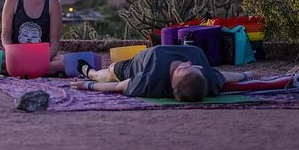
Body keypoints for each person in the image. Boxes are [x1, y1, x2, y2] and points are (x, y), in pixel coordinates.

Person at [70, 44, 255, 102]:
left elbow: (118, 86)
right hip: (146, 55)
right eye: (196, 68)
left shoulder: (150, 82)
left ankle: (89, 71)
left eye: (186, 67)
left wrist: (88, 84)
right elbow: (223, 76)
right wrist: (246, 75)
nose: (191, 63)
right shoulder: (205, 79)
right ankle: (90, 71)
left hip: (133, 66)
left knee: (110, 72)